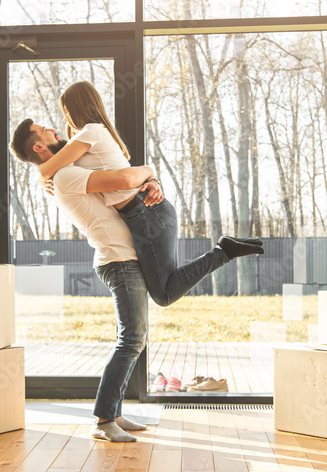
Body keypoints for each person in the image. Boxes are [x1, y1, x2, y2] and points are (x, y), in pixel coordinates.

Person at [10, 119, 261, 442]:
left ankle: (112, 412)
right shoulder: (66, 175)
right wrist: (148, 169)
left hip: (123, 257)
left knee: (139, 330)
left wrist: (152, 181)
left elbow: (120, 187)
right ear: (39, 147)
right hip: (119, 260)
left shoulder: (62, 173)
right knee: (131, 340)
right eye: (49, 133)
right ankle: (103, 421)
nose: (58, 132)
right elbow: (126, 177)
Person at [36, 81, 263, 306]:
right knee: (163, 289)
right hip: (141, 215)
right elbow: (59, 167)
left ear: (78, 108)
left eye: (66, 112)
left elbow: (48, 168)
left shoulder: (91, 132)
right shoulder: (88, 138)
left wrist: (42, 177)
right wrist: (47, 181)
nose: (65, 119)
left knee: (163, 294)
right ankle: (224, 250)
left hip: (148, 213)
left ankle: (224, 251)